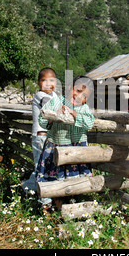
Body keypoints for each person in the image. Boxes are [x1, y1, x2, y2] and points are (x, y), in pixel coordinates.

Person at [35, 75, 95, 208]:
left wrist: (73, 113)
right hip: (56, 148)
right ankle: (50, 207)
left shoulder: (83, 109)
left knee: (75, 184)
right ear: (69, 87)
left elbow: (90, 123)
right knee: (53, 181)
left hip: (76, 151)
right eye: (78, 91)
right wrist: (54, 116)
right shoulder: (55, 102)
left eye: (84, 95)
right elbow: (42, 119)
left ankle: (72, 207)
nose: (79, 96)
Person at [21, 68, 57, 196]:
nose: (48, 83)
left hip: (50, 138)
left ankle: (26, 188)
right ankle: (44, 199)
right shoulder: (40, 96)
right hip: (41, 136)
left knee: (43, 166)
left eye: (51, 80)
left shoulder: (54, 95)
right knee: (41, 167)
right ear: (38, 83)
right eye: (44, 80)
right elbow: (51, 108)